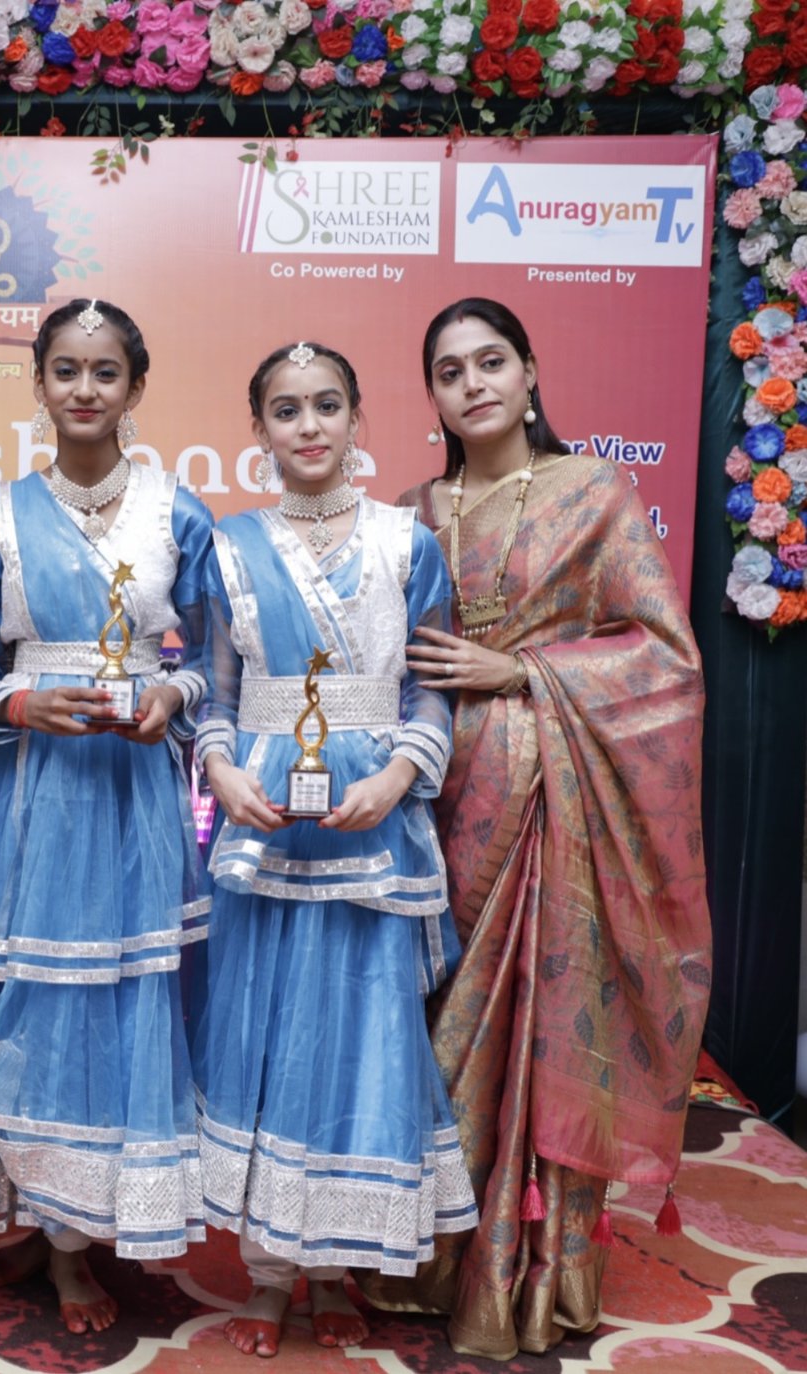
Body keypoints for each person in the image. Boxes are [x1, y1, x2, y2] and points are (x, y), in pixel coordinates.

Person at [358, 299, 712, 1359]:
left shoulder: (593, 493)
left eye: (491, 362)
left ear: (529, 373)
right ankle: (419, 1257)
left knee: (537, 1025)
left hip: (553, 803)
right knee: (430, 1017)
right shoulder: (412, 512)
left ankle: (523, 1271)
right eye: (449, 371)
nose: (472, 384)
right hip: (428, 800)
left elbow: (664, 656)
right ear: (431, 396)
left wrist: (522, 670)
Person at [0, 299, 214, 1335]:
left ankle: (78, 1238)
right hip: (28, 796)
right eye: (66, 370)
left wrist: (171, 696)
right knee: (28, 1005)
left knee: (112, 1008)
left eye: (105, 371)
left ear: (134, 386)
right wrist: (21, 705)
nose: (84, 389)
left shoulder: (179, 512)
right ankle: (35, 1221)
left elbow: (219, 663)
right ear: (38, 384)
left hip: (131, 798)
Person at [191, 340, 476, 1359]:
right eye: (285, 409)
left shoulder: (409, 543)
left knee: (361, 1042)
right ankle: (270, 1275)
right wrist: (221, 775)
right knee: (267, 1043)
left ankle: (334, 1272)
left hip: (372, 827)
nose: (307, 425)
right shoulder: (227, 547)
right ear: (258, 429)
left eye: (325, 405)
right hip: (265, 832)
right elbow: (214, 693)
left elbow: (430, 690)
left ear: (357, 419)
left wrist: (396, 778)